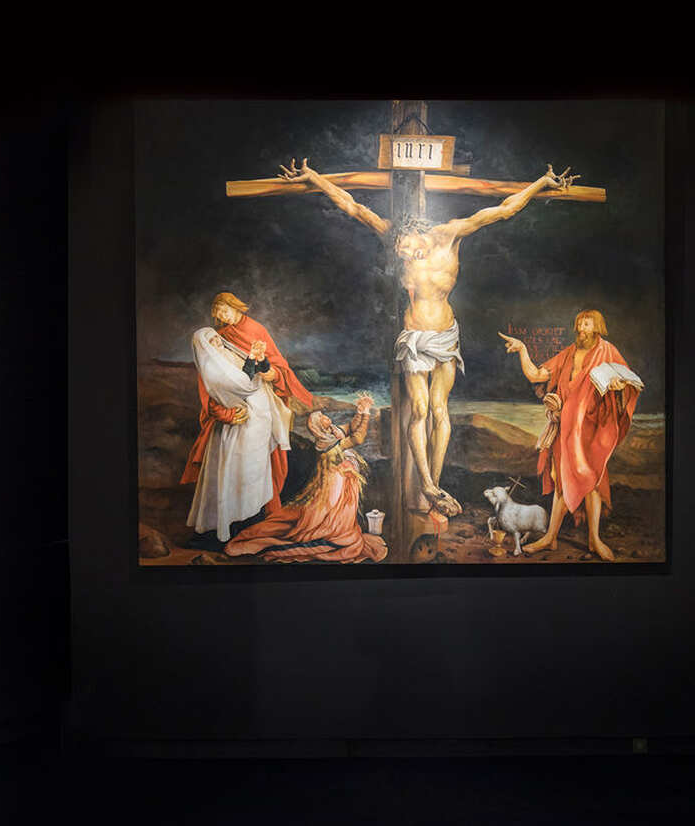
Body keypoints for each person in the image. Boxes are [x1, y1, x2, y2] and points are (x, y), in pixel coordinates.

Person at [278, 158, 578, 516]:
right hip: (414, 338)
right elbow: (352, 205)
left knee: (439, 409)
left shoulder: (450, 234)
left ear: (416, 232)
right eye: (400, 253)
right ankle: (426, 483)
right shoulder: (392, 234)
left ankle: (433, 484)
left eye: (407, 249)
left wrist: (543, 181)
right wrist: (313, 176)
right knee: (419, 410)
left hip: (446, 337)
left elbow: (504, 209)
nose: (405, 256)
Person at [500, 309, 643, 561]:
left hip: (592, 430)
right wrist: (523, 349)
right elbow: (536, 375)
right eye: (579, 324)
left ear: (597, 327)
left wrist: (619, 387)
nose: (581, 329)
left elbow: (628, 385)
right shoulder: (568, 354)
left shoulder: (608, 351)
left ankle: (594, 539)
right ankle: (551, 537)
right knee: (561, 479)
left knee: (592, 480)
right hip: (566, 428)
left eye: (586, 324)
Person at [183, 293, 311, 519]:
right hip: (236, 415)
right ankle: (235, 516)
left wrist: (270, 371)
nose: (222, 316)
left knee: (263, 462)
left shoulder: (255, 330)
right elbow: (211, 381)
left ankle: (261, 511)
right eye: (218, 313)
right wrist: (225, 413)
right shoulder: (218, 337)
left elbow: (275, 366)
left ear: (236, 307)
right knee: (233, 466)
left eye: (225, 310)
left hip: (261, 408)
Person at [224, 394, 386, 564]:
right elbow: (358, 438)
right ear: (320, 427)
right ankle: (334, 533)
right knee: (333, 516)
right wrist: (366, 414)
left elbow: (351, 428)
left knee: (336, 514)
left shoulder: (332, 432)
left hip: (340, 478)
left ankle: (337, 529)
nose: (325, 416)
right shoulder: (326, 442)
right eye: (322, 417)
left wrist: (360, 411)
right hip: (335, 483)